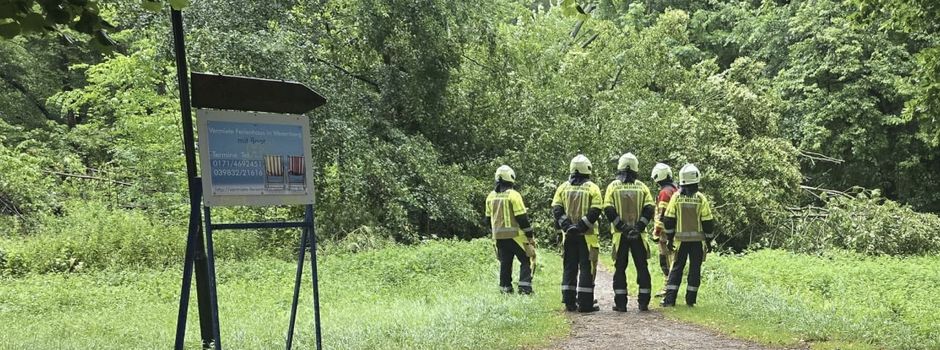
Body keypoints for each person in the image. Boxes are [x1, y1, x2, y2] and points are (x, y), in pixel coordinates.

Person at [603, 153, 655, 311]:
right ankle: (643, 303)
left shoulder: (613, 186)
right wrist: (638, 227)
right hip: (639, 235)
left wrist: (622, 227)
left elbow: (608, 209)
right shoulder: (642, 187)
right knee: (642, 267)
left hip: (620, 235)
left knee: (620, 267)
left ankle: (621, 304)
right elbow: (649, 208)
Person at [552, 155, 603, 312]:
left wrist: (568, 227)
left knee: (569, 267)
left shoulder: (562, 188)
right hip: (587, 237)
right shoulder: (592, 188)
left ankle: (569, 302)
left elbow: (556, 209)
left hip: (568, 236)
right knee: (587, 269)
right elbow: (596, 210)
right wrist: (581, 226)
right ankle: (586, 304)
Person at [661, 163, 717, 307]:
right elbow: (708, 221)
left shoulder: (676, 197)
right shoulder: (700, 198)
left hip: (680, 241)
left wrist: (669, 238)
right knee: (694, 270)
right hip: (697, 242)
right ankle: (690, 301)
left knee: (677, 269)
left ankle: (670, 300)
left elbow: (668, 219)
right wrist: (709, 240)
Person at [485, 165, 537, 294]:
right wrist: (530, 235)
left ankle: (505, 289)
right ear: (511, 178)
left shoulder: (491, 196)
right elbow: (522, 218)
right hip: (516, 236)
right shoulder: (514, 195)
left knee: (505, 263)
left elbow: (487, 220)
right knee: (527, 259)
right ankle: (525, 289)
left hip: (499, 237)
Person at [649, 163, 680, 298]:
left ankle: (668, 288)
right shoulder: (676, 189)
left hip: (666, 233)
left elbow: (662, 215)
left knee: (666, 261)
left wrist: (656, 231)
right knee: (673, 260)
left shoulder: (664, 193)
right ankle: (670, 288)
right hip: (676, 230)